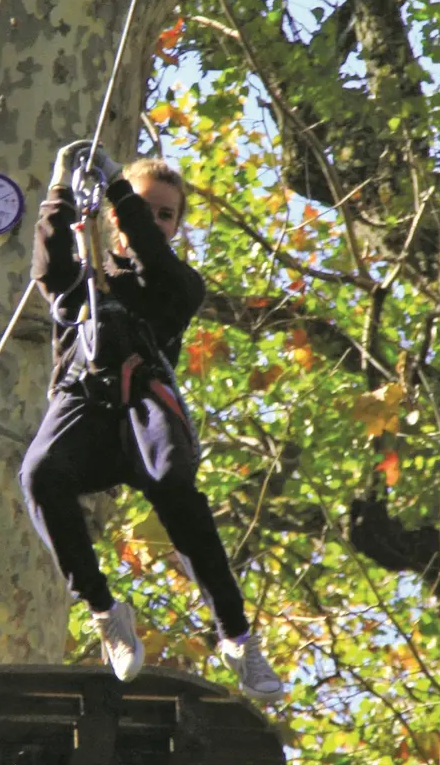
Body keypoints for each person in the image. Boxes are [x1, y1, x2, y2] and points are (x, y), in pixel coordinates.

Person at [20, 144, 285, 703]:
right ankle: (103, 609)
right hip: (85, 404)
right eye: (148, 209)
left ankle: (235, 635)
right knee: (41, 475)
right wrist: (60, 191)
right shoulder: (83, 278)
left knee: (171, 482)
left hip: (143, 403)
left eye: (167, 214)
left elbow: (154, 260)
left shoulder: (177, 284)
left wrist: (120, 189)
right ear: (115, 218)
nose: (156, 221)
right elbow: (48, 270)